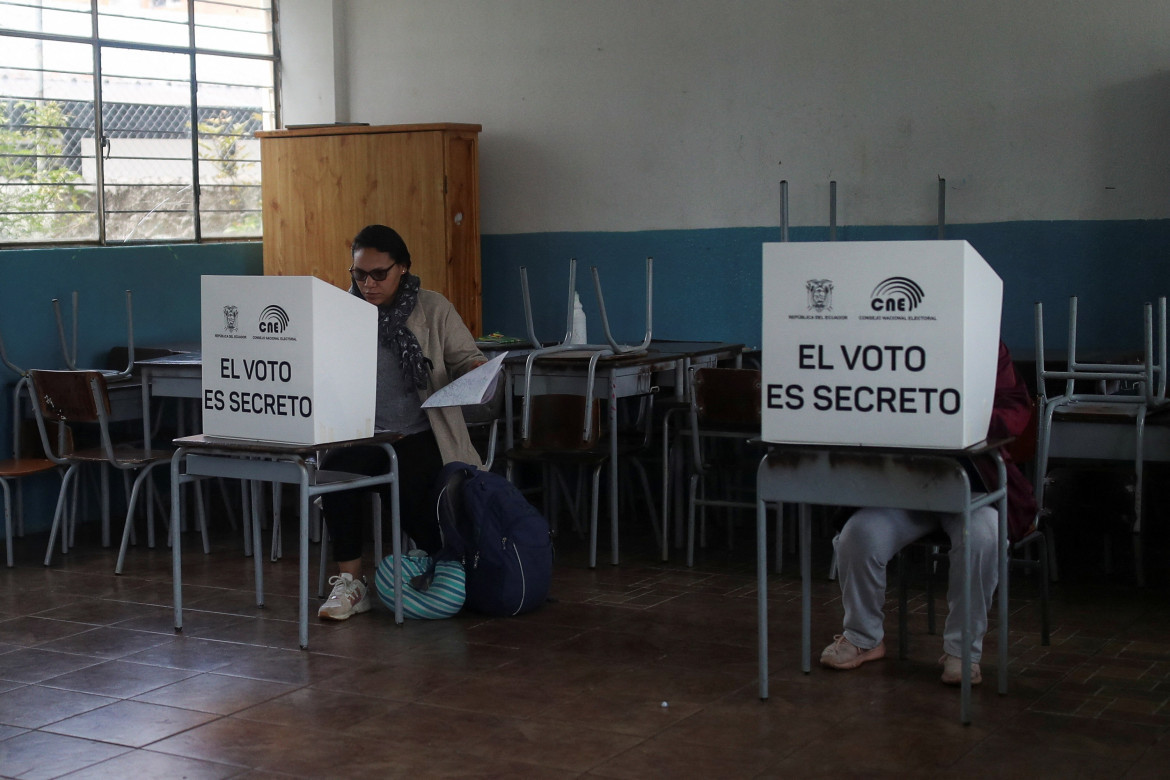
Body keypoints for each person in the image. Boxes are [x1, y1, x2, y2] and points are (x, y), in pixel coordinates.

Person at [820, 340, 1037, 685]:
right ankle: (863, 638)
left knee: (982, 537)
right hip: (902, 485)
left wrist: (962, 417)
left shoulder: (985, 343)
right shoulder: (882, 340)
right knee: (857, 536)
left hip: (972, 483)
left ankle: (962, 652)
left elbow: (1015, 407)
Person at [318, 224, 485, 620]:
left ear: (403, 269)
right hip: (362, 432)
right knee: (334, 475)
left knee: (414, 481)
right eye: (359, 275)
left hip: (421, 430)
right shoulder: (342, 313)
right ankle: (352, 583)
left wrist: (475, 368)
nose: (369, 284)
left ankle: (440, 569)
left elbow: (466, 358)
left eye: (380, 274)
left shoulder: (432, 307)